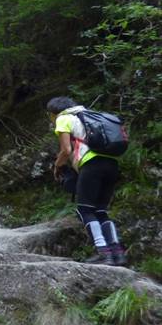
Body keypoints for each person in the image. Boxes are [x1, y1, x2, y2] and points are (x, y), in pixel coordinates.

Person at [49, 96, 127, 266]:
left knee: (85, 210)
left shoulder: (63, 118)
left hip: (91, 165)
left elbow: (66, 150)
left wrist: (57, 166)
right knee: (101, 210)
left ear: (54, 113)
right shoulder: (90, 115)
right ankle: (117, 253)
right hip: (112, 164)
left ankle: (103, 253)